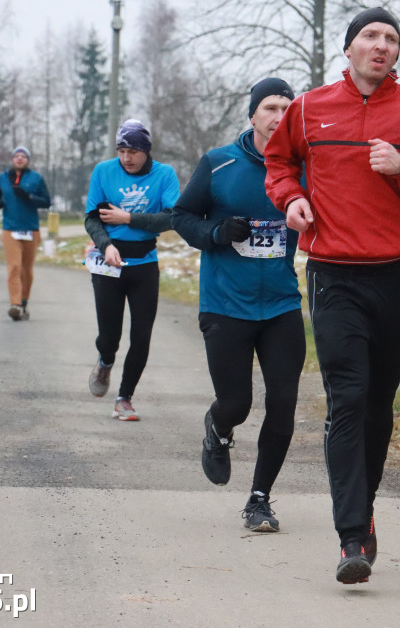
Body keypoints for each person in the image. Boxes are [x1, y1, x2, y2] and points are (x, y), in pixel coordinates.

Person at [264, 7, 400, 583]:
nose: (381, 46)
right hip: (333, 273)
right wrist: (290, 201)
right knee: (347, 397)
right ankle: (352, 535)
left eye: (391, 39)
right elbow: (279, 163)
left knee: (377, 404)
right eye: (371, 37)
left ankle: (364, 510)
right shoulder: (308, 109)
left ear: (397, 53)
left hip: (398, 275)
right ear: (348, 48)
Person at [172, 78, 304, 533]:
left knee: (284, 402)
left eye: (288, 107)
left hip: (282, 305)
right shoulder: (220, 163)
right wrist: (215, 233)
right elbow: (181, 216)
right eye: (270, 106)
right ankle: (218, 425)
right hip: (226, 304)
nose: (279, 114)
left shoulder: (304, 167)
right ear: (252, 115)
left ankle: (260, 499)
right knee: (237, 402)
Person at [85, 119, 180, 422]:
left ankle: (124, 398)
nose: (127, 158)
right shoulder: (103, 171)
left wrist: (128, 218)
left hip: (144, 265)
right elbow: (92, 219)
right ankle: (105, 360)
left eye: (134, 151)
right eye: (122, 150)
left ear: (146, 150)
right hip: (107, 264)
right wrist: (105, 245)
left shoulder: (164, 175)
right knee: (109, 336)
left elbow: (170, 218)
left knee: (141, 335)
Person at [0, 146, 51, 321]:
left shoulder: (36, 178)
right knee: (14, 267)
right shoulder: (3, 178)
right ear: (12, 160)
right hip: (10, 229)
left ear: (27, 160)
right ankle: (15, 304)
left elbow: (46, 201)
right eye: (16, 156)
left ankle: (24, 301)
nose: (19, 159)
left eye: (23, 156)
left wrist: (29, 197)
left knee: (26, 270)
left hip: (30, 230)